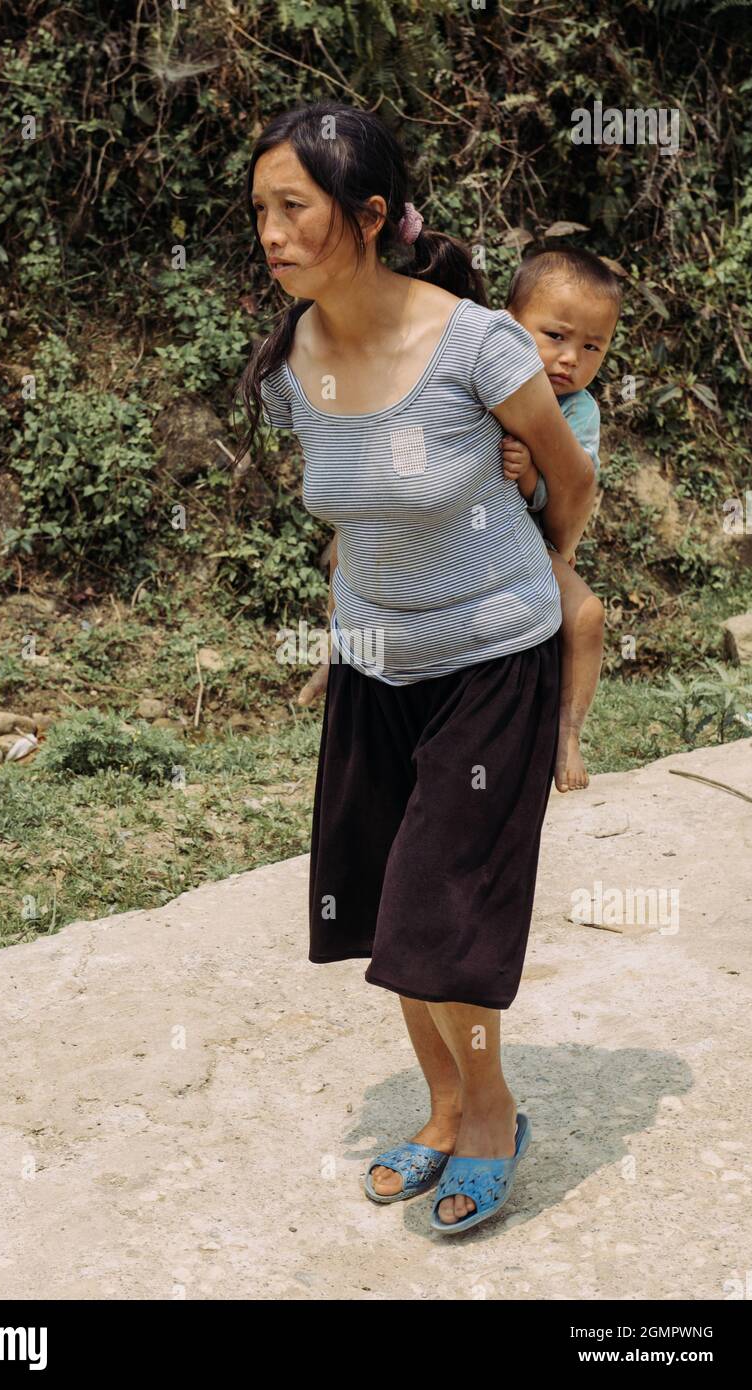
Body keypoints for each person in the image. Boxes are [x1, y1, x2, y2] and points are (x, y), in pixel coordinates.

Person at [234, 103, 596, 1232]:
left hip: (491, 662)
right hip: (372, 665)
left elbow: (568, 479)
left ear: (371, 215)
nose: (273, 233)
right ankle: (441, 1113)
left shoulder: (478, 342)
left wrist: (542, 574)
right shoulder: (292, 362)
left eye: (295, 207)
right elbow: (356, 512)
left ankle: (492, 1115)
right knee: (390, 914)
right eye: (261, 212)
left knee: (442, 912)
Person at [500, 246, 617, 791]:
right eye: (556, 336)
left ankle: (568, 732)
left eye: (591, 346)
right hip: (462, 544)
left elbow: (573, 486)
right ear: (509, 324)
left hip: (534, 544)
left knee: (588, 615)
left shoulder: (580, 410)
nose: (571, 358)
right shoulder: (482, 379)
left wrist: (531, 478)